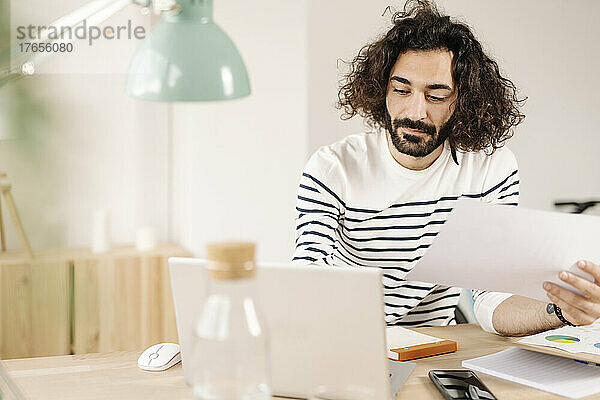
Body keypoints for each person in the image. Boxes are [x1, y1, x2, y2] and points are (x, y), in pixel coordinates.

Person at [292, 0, 600, 336]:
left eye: (436, 96)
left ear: (463, 99)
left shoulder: (489, 169)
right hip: (348, 340)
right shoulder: (333, 168)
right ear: (383, 88)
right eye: (401, 90)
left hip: (437, 345)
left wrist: (562, 310)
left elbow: (489, 299)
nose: (415, 112)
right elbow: (308, 281)